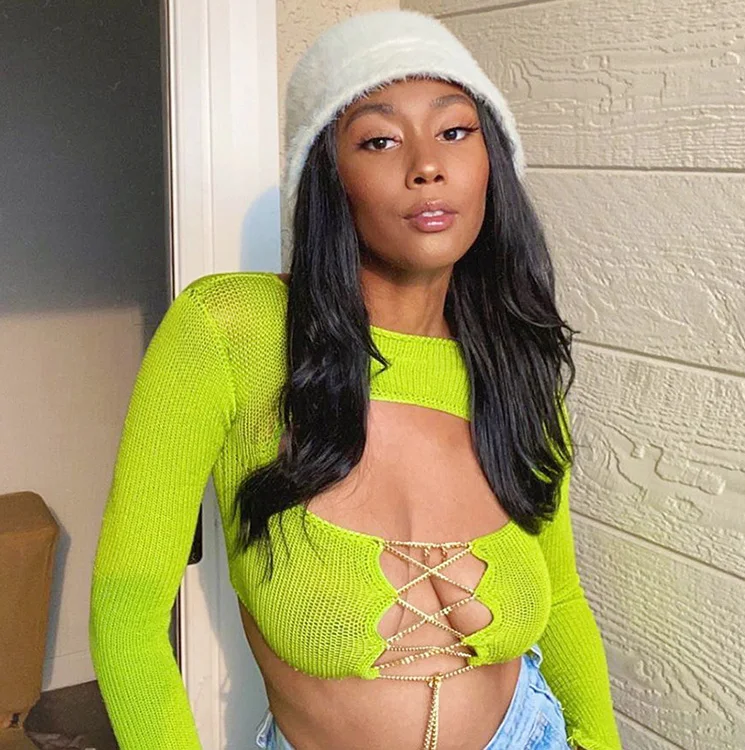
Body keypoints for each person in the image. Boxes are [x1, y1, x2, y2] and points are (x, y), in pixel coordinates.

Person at [89, 9, 622, 750]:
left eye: (455, 130)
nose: (427, 165)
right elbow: (127, 612)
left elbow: (560, 600)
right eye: (379, 139)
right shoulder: (232, 331)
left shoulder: (513, 362)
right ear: (328, 176)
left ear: (491, 162)